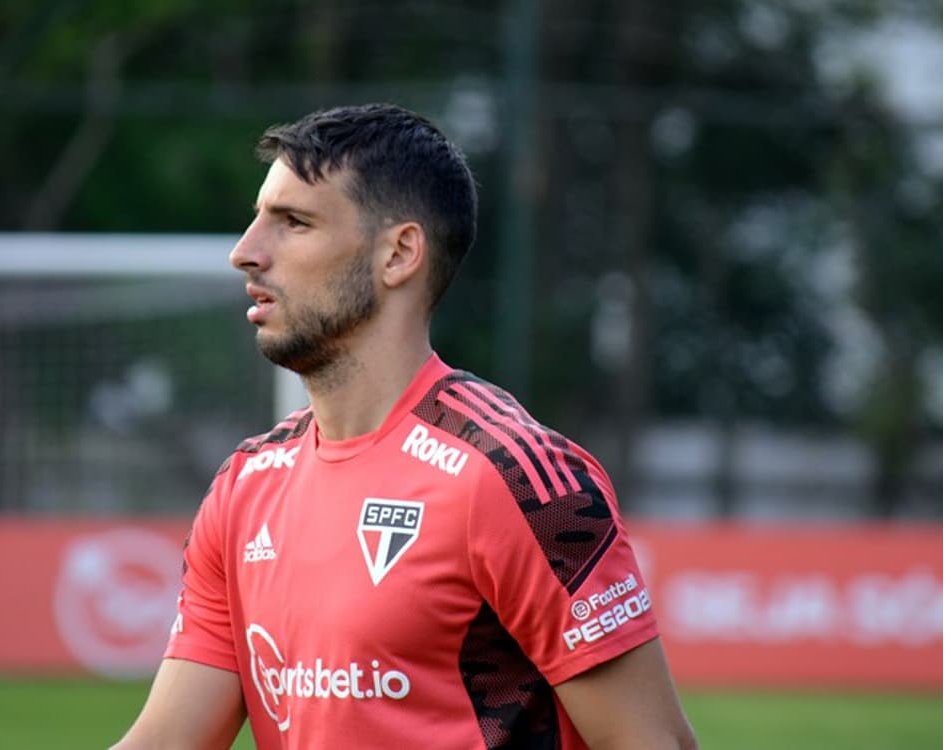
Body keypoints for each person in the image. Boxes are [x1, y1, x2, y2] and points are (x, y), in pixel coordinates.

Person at [111, 103, 697, 750]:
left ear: (399, 254)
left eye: (293, 223)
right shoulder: (245, 486)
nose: (246, 254)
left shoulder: (514, 477)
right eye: (256, 221)